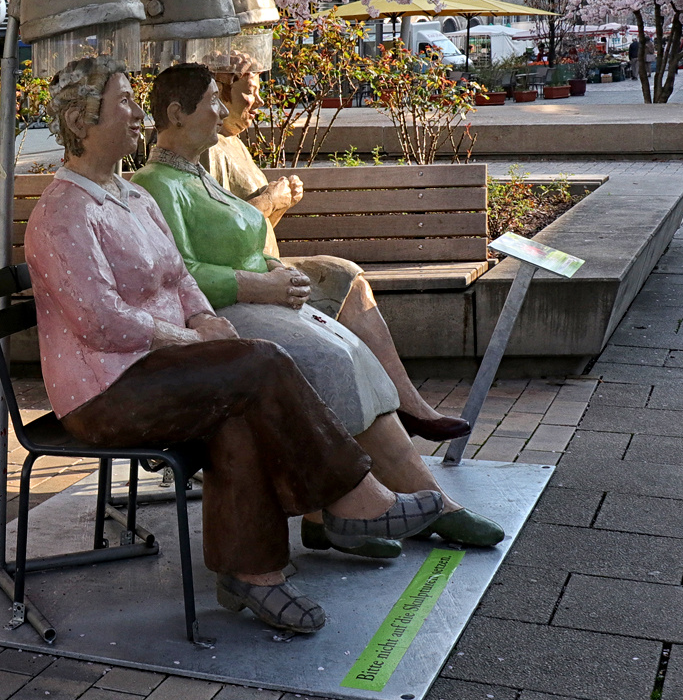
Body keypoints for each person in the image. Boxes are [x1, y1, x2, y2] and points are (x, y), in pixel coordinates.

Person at [25, 56, 445, 635]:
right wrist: (195, 337)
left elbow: (179, 277)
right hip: (105, 393)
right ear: (81, 120)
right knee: (261, 362)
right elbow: (103, 324)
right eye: (122, 100)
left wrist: (205, 318)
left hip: (161, 369)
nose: (135, 112)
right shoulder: (64, 212)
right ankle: (350, 499)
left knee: (240, 413)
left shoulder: (130, 197)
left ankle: (254, 575)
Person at [135, 63, 504, 553]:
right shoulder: (159, 183)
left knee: (353, 352)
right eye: (212, 104)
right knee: (329, 361)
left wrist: (275, 268)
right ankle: (360, 508)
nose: (222, 111)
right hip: (226, 316)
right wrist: (259, 286)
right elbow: (178, 275)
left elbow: (244, 240)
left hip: (260, 300)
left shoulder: (199, 176)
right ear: (178, 114)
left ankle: (398, 502)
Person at [203, 54, 473, 444]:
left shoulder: (235, 145)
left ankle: (405, 404)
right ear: (222, 92)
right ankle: (404, 407)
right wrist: (267, 201)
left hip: (265, 263)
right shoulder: (211, 149)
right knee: (345, 278)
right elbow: (218, 237)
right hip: (250, 278)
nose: (257, 103)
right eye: (249, 93)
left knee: (348, 276)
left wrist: (277, 205)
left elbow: (253, 231)